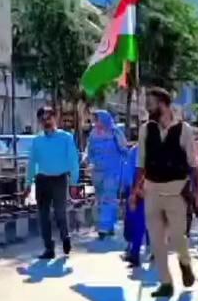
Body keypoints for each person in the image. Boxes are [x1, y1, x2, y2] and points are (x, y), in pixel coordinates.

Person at [132, 88, 198, 299]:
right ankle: (166, 282)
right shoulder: (145, 129)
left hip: (176, 190)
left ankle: (185, 262)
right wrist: (135, 191)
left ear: (163, 103)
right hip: (152, 190)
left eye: (150, 102)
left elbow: (192, 163)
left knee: (179, 238)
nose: (146, 107)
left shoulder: (183, 129)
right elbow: (141, 163)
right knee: (157, 241)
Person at [23, 106, 80, 260]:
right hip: (42, 180)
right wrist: (28, 183)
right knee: (43, 216)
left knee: (60, 212)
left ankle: (65, 237)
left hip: (60, 179)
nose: (46, 122)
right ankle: (49, 248)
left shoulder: (66, 138)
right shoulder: (37, 141)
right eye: (43, 119)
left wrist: (74, 183)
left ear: (55, 118)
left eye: (49, 118)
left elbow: (73, 161)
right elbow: (32, 163)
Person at [84, 110, 128, 239]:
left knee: (109, 198)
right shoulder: (93, 134)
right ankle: (107, 225)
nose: (95, 122)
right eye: (94, 119)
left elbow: (124, 149)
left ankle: (104, 227)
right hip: (97, 172)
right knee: (100, 198)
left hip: (112, 171)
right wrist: (86, 161)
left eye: (97, 119)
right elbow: (89, 150)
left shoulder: (115, 132)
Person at [121, 125, 148, 266]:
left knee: (142, 222)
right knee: (139, 222)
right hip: (141, 190)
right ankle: (135, 252)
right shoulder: (136, 151)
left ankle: (138, 252)